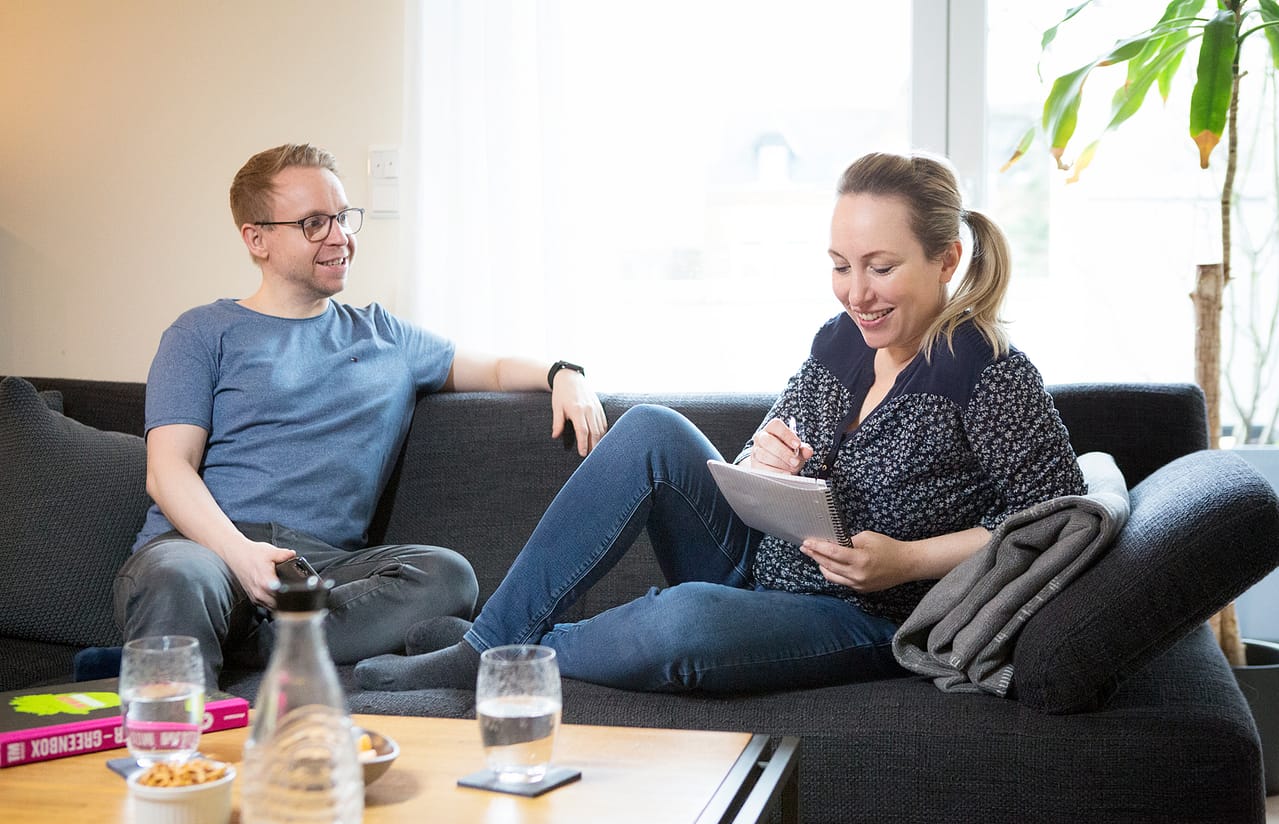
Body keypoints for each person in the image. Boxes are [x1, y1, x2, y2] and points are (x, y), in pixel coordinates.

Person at [355, 151, 1085, 695]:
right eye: (839, 265)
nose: (855, 292)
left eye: (880, 267)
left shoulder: (989, 373)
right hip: (757, 564)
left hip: (863, 613)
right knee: (649, 429)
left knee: (683, 622)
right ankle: (488, 642)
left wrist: (906, 560)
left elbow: (1055, 519)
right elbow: (750, 457)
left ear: (947, 259)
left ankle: (496, 654)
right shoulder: (840, 342)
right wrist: (760, 462)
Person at [114, 143, 608, 691]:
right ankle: (191, 727)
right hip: (205, 551)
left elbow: (492, 369)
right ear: (257, 238)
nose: (339, 236)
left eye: (343, 217)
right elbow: (167, 470)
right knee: (176, 576)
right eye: (313, 223)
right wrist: (240, 554)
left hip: (319, 567)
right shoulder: (201, 332)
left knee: (446, 576)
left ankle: (253, 647)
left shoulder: (384, 337)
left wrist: (565, 373)